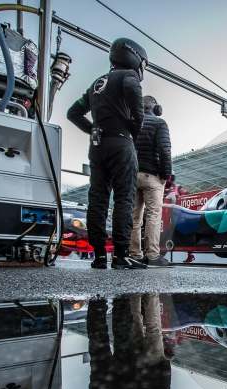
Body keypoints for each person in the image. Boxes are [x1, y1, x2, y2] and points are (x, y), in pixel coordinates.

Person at [66, 38, 148, 270]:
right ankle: (121, 255)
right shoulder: (128, 77)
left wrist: (91, 128)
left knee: (98, 199)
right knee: (124, 198)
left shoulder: (96, 83)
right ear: (135, 56)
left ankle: (99, 255)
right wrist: (133, 129)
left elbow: (73, 112)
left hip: (97, 145)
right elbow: (137, 110)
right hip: (121, 143)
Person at [130, 95, 173, 267]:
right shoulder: (159, 123)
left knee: (134, 217)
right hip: (152, 176)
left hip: (132, 175)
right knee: (153, 215)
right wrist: (166, 174)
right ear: (156, 108)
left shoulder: (132, 123)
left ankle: (134, 254)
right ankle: (153, 255)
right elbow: (165, 149)